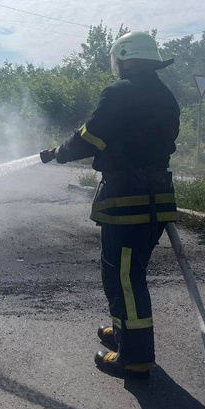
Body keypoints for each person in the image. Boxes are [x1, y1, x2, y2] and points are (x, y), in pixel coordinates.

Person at [40, 31, 180, 380]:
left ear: (125, 58)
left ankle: (134, 358)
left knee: (125, 280)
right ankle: (123, 333)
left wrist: (60, 152)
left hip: (127, 201)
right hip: (154, 198)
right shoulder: (164, 95)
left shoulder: (120, 93)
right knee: (124, 275)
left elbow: (90, 136)